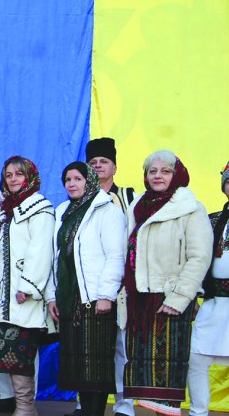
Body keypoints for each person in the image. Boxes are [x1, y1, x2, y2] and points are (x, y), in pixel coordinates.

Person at [122, 151, 211, 416]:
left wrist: (180, 298)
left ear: (177, 174)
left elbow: (199, 257)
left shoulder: (190, 208)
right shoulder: (138, 206)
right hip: (140, 298)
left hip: (169, 298)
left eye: (165, 171)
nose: (158, 176)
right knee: (144, 374)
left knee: (167, 371)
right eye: (153, 171)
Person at [0, 156, 55, 416]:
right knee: (8, 351)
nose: (12, 179)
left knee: (22, 351)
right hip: (2, 298)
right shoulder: (2, 211)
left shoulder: (40, 208)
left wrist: (28, 286)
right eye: (8, 175)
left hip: (24, 296)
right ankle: (21, 406)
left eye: (18, 174)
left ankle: (25, 407)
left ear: (29, 177)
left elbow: (40, 250)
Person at [46, 162, 126, 416]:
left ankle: (95, 412)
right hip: (69, 298)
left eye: (78, 179)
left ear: (89, 180)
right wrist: (52, 296)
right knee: (78, 363)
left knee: (96, 364)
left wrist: (106, 295)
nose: (71, 184)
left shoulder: (107, 211)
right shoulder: (63, 211)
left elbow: (115, 256)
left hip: (95, 297)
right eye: (67, 179)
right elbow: (56, 257)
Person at [188, 156, 229, 416]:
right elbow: (195, 258)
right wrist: (192, 296)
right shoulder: (211, 220)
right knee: (197, 357)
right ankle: (198, 412)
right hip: (214, 301)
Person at [79, 137, 137, 416]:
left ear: (115, 167)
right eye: (93, 162)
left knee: (122, 348)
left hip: (122, 284)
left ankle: (124, 406)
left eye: (104, 161)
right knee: (86, 348)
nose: (98, 166)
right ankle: (83, 404)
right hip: (88, 285)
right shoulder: (78, 197)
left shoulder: (129, 197)